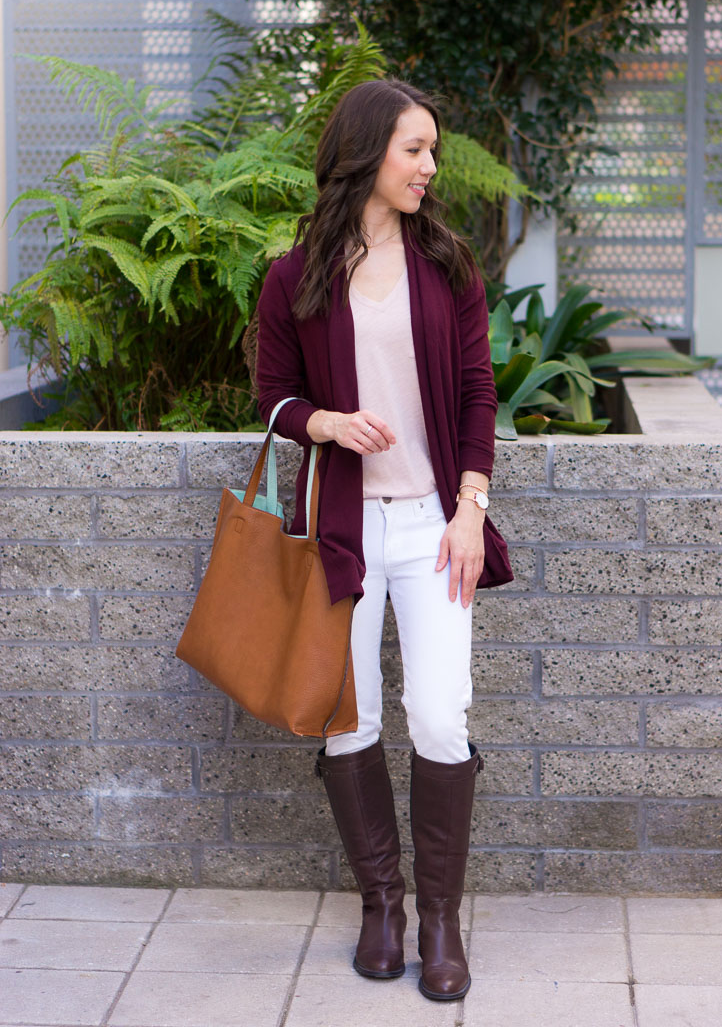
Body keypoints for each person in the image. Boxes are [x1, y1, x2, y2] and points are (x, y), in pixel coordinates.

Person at [256, 78, 513, 1002]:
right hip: (346, 532)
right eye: (415, 150)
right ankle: (384, 904)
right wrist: (324, 423)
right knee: (350, 718)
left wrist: (472, 507)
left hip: (439, 528)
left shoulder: (447, 266)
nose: (430, 167)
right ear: (368, 154)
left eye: (433, 151)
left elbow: (480, 392)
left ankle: (441, 917)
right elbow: (273, 397)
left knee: (440, 716)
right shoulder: (296, 275)